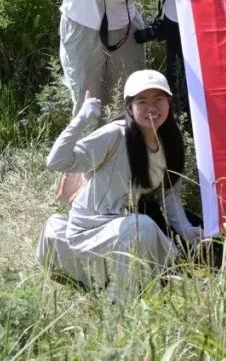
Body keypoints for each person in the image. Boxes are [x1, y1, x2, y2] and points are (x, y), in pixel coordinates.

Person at [37, 70, 202, 296]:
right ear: (129, 106)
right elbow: (57, 161)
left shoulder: (170, 143)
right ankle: (123, 300)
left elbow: (170, 196)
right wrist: (81, 119)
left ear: (169, 103)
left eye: (158, 100)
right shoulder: (115, 135)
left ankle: (147, 288)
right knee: (142, 227)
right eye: (142, 102)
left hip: (122, 222)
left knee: (148, 228)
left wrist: (186, 230)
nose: (152, 109)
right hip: (90, 226)